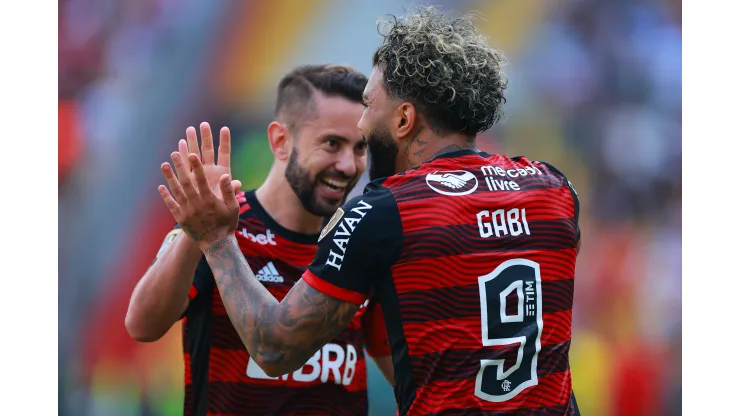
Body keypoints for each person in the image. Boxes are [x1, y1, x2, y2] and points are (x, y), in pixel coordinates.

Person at [157, 7, 581, 416]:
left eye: (367, 103)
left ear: (403, 120)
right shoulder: (554, 189)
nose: (360, 124)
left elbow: (274, 347)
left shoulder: (384, 212)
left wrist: (215, 238)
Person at [126, 64, 393, 416]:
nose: (348, 165)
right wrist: (199, 233)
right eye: (332, 144)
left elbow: (402, 371)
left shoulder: (360, 236)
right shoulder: (219, 225)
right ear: (281, 141)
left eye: (360, 148)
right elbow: (142, 325)